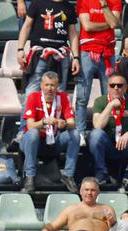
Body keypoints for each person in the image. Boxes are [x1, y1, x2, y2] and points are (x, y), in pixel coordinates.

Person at [14, 0, 79, 140]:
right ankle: (23, 131)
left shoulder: (68, 7)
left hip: (61, 57)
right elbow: (26, 26)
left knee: (60, 95)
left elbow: (72, 33)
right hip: (40, 54)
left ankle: (58, 131)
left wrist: (76, 57)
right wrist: (20, 49)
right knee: (31, 92)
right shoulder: (38, 3)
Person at [20, 70, 79, 193]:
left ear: (57, 86)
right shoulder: (33, 97)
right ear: (41, 85)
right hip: (32, 142)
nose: (50, 89)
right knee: (33, 133)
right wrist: (44, 121)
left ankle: (68, 175)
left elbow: (72, 122)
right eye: (47, 85)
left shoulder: (63, 97)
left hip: (53, 142)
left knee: (75, 134)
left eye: (52, 85)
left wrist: (62, 123)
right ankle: (29, 176)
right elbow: (30, 125)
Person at [41, 177, 128, 231]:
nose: (89, 193)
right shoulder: (71, 209)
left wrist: (112, 222)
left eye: (93, 190)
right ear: (81, 192)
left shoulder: (106, 208)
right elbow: (52, 226)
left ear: (98, 192)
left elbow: (113, 228)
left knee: (124, 224)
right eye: (86, 190)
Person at [74, 0, 121, 136]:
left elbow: (114, 23)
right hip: (87, 51)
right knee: (83, 96)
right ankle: (80, 133)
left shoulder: (115, 1)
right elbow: (87, 26)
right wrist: (108, 23)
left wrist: (104, 4)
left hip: (108, 52)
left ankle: (108, 132)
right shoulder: (83, 1)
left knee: (110, 96)